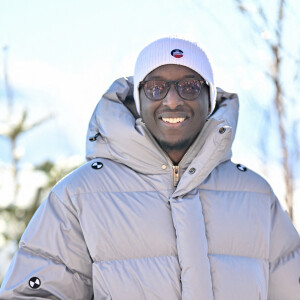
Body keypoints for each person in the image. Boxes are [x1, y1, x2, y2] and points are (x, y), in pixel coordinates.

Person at [0, 37, 299, 300]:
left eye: (190, 87)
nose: (172, 100)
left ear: (209, 98)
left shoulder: (256, 197)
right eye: (156, 88)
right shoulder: (80, 195)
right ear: (139, 99)